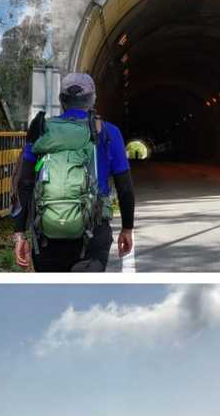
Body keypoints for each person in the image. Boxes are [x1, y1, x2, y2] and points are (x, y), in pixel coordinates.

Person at [12, 72, 135, 272]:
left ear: (61, 100)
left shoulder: (41, 130)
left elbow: (24, 183)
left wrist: (19, 234)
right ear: (93, 99)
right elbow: (125, 187)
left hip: (47, 235)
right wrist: (127, 228)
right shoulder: (108, 132)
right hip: (93, 235)